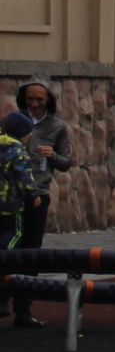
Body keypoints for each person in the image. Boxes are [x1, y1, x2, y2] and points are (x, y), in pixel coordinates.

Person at [11, 76, 73, 329]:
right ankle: (3, 300)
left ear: (48, 99)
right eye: (29, 99)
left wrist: (53, 155)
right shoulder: (14, 121)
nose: (34, 104)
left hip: (39, 193)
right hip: (12, 195)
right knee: (9, 247)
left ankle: (23, 309)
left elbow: (67, 161)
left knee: (31, 250)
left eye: (39, 99)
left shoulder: (57, 126)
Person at [0, 111, 36, 252]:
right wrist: (33, 195)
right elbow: (24, 178)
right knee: (15, 233)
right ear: (22, 134)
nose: (30, 136)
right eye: (29, 133)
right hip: (11, 206)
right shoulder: (18, 151)